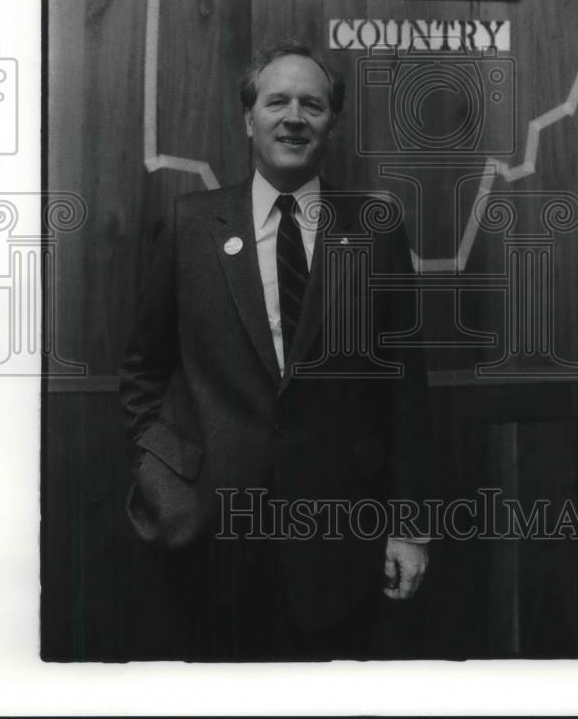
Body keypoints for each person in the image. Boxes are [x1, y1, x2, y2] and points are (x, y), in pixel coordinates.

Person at [119, 40, 433, 661]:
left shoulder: (376, 228)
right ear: (249, 119)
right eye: (277, 101)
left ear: (331, 125)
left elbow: (407, 390)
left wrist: (411, 525)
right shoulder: (190, 225)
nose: (294, 116)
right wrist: (161, 479)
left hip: (341, 537)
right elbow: (143, 371)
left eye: (312, 105)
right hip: (211, 534)